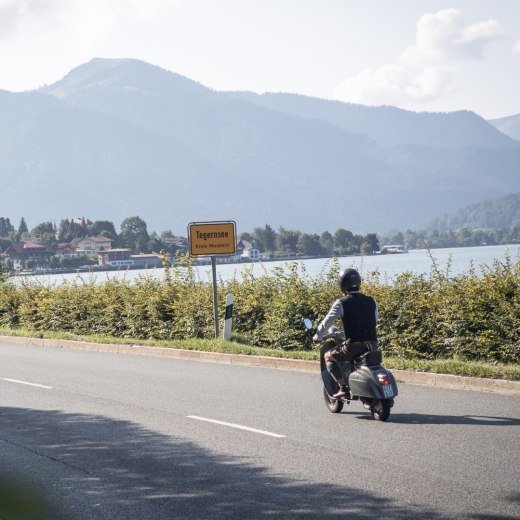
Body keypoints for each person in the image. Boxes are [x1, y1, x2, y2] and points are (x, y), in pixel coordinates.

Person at [313, 268, 379, 398]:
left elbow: (327, 323)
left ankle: (343, 387)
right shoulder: (372, 300)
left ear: (342, 284)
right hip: (373, 344)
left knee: (328, 356)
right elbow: (374, 321)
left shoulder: (341, 303)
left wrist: (317, 336)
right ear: (359, 282)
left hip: (353, 346)